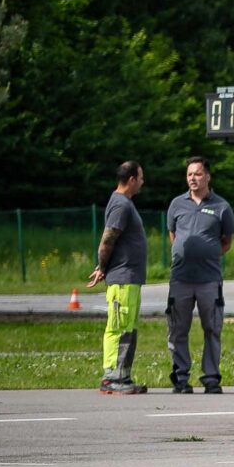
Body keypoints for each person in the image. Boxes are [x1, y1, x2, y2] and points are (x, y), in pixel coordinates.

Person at [164, 155, 233, 394]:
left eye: (198, 174)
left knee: (212, 329)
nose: (193, 178)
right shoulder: (176, 204)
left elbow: (226, 241)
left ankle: (211, 378)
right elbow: (173, 236)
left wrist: (207, 253)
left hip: (209, 280)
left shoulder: (221, 206)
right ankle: (181, 378)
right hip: (180, 279)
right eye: (190, 174)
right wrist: (184, 252)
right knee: (177, 330)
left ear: (208, 176)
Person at [87, 161, 149, 394]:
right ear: (131, 179)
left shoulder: (125, 204)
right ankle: (111, 377)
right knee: (118, 327)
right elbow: (107, 240)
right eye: (141, 177)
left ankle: (123, 376)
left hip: (130, 278)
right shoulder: (121, 205)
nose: (142, 182)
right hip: (122, 278)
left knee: (128, 328)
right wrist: (102, 267)